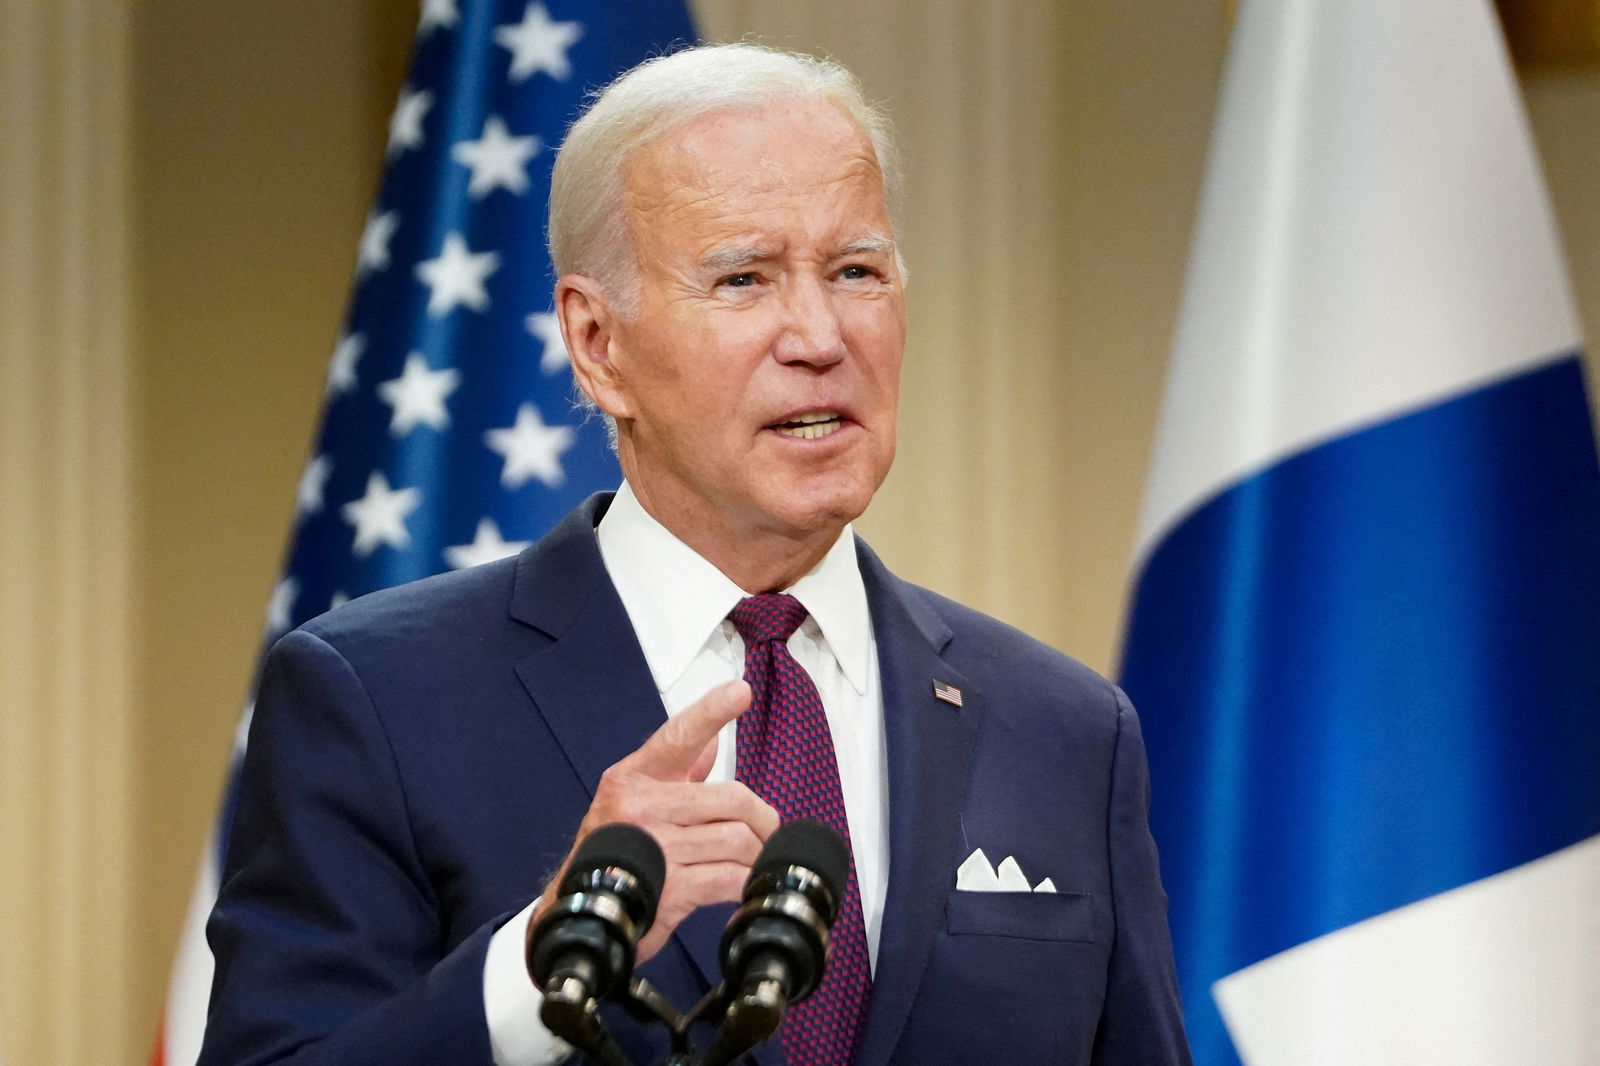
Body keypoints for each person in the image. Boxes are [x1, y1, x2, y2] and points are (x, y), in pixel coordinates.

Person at [200, 44, 1191, 1066]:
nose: (818, 333)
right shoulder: (379, 698)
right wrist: (539, 961)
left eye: (856, 271)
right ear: (598, 344)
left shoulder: (1065, 730)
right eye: (743, 278)